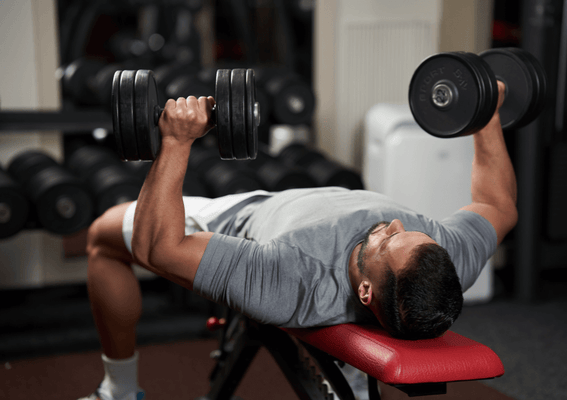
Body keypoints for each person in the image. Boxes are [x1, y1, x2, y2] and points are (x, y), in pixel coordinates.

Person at [79, 82, 516, 400]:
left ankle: (118, 391)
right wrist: (487, 115)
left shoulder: (289, 279)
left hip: (247, 213)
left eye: (388, 243)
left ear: (365, 291)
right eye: (411, 232)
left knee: (102, 236)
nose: (394, 224)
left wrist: (175, 141)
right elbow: (499, 206)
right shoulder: (445, 256)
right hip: (305, 204)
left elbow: (157, 247)